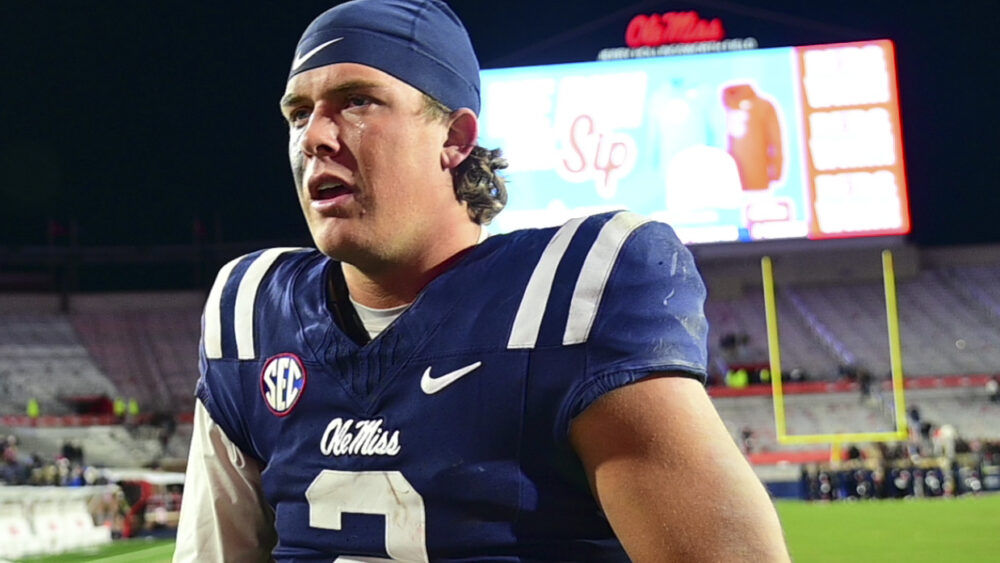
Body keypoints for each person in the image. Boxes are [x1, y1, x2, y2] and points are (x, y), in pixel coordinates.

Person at [173, 1, 790, 561]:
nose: (314, 137)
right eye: (299, 113)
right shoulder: (251, 311)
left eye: (357, 101)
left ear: (456, 138)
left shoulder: (575, 292)